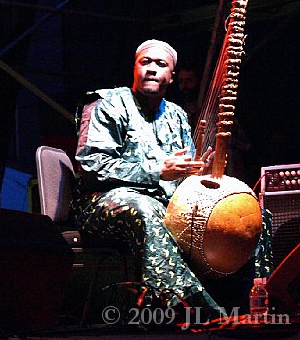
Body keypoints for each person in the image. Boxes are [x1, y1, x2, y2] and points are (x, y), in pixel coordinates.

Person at [72, 40, 271, 321]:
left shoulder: (177, 115)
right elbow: (92, 165)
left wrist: (201, 170)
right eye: (145, 62)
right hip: (99, 202)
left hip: (165, 204)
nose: (152, 69)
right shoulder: (106, 103)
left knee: (251, 213)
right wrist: (157, 171)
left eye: (160, 64)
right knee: (144, 209)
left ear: (172, 76)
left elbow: (183, 177)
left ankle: (254, 301)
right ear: (135, 67)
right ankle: (192, 308)